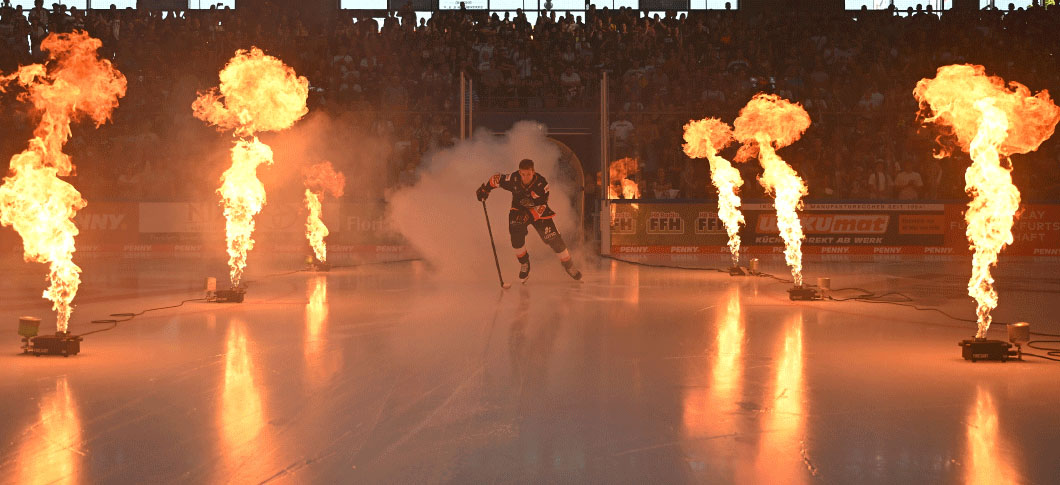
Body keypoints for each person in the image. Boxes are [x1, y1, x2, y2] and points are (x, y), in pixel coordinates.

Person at [476, 158, 582, 282]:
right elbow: (497, 179)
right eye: (523, 174)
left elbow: (542, 205)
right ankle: (524, 263)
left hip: (538, 211)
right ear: (519, 172)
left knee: (554, 239)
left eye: (529, 174)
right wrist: (485, 190)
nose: (525, 177)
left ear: (534, 172)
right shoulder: (513, 179)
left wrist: (530, 215)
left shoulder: (542, 184)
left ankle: (569, 266)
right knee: (516, 237)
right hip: (518, 211)